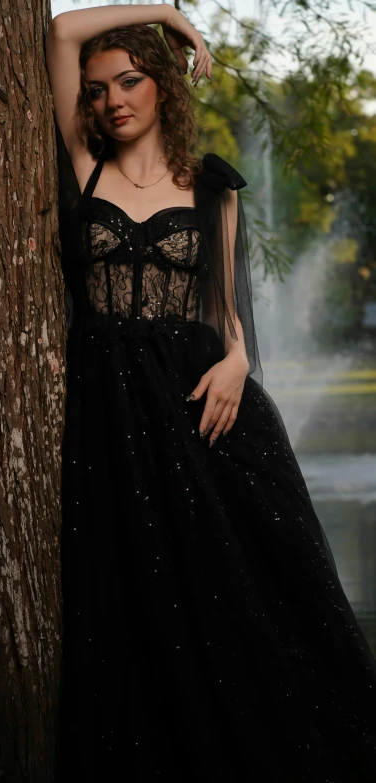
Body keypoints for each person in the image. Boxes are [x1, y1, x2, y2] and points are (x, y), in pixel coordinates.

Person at [45, 4, 376, 781]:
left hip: (199, 402)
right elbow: (60, 33)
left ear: (163, 85)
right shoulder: (77, 160)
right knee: (128, 596)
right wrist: (169, 13)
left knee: (234, 590)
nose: (112, 100)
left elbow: (227, 315)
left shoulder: (211, 188)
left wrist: (236, 363)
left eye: (130, 80)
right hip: (109, 405)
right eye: (98, 89)